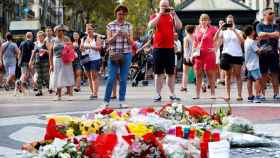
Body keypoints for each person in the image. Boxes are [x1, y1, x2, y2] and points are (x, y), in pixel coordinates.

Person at [148, 0, 182, 102]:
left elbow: (179, 26)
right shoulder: (155, 15)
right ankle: (158, 94)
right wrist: (160, 14)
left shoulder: (171, 16)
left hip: (170, 48)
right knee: (158, 73)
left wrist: (174, 14)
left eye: (166, 6)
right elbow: (150, 25)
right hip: (158, 48)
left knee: (171, 73)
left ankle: (172, 94)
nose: (164, 8)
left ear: (169, 6)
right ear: (159, 7)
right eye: (163, 6)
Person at [103, 5, 133, 107]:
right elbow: (108, 41)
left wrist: (126, 35)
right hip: (114, 54)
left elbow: (131, 43)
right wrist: (116, 34)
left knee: (123, 79)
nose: (121, 16)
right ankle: (106, 101)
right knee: (111, 78)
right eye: (119, 14)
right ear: (116, 14)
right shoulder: (110, 25)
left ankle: (122, 101)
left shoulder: (129, 25)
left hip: (126, 54)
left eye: (123, 14)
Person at [214, 15, 244, 101]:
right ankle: (228, 95)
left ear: (234, 22)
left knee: (238, 75)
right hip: (226, 53)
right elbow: (216, 40)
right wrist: (220, 28)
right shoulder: (224, 32)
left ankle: (239, 94)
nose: (230, 23)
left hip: (237, 54)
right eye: (228, 22)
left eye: (231, 22)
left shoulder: (239, 31)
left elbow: (242, 41)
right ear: (226, 22)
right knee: (227, 75)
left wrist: (234, 30)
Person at [256, 8, 280, 100]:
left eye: (273, 13)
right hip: (263, 53)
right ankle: (263, 94)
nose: (273, 14)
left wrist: (266, 35)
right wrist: (271, 34)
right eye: (270, 13)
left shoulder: (276, 25)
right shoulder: (259, 25)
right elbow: (260, 35)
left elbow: (277, 35)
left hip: (274, 53)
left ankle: (276, 93)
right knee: (263, 74)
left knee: (275, 73)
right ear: (265, 15)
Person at [192, 14, 217, 99]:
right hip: (198, 55)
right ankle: (197, 94)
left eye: (205, 20)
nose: (204, 21)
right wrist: (192, 53)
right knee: (198, 74)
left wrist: (215, 48)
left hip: (209, 54)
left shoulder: (213, 29)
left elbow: (220, 38)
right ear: (199, 21)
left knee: (210, 74)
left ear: (208, 21)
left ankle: (212, 94)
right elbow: (195, 42)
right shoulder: (197, 29)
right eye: (202, 20)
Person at [49, 24, 75, 101]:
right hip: (56, 60)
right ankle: (59, 95)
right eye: (58, 31)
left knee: (67, 76)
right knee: (57, 76)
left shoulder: (67, 39)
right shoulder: (53, 40)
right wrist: (50, 64)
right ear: (55, 32)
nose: (60, 32)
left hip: (66, 60)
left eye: (61, 31)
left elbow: (71, 49)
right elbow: (50, 53)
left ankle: (70, 94)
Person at [80, 24, 102, 99]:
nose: (89, 30)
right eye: (87, 29)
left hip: (95, 58)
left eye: (90, 29)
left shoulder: (97, 37)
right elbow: (81, 48)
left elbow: (99, 48)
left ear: (93, 30)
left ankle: (95, 93)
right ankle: (92, 92)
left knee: (94, 75)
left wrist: (89, 47)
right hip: (86, 58)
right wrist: (82, 48)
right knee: (89, 76)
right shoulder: (83, 38)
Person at [244, 26, 263, 103]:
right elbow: (258, 52)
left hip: (248, 64)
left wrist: (257, 42)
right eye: (253, 31)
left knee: (249, 80)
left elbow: (254, 46)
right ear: (252, 32)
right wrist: (263, 48)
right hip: (254, 64)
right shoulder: (251, 42)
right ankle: (257, 96)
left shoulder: (247, 40)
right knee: (257, 79)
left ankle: (250, 96)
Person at [29, 31, 50, 96]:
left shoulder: (46, 43)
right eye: (38, 36)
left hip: (45, 61)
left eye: (41, 36)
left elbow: (50, 52)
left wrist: (45, 51)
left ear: (44, 37)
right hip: (37, 61)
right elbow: (33, 53)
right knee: (38, 76)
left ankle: (49, 87)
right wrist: (30, 61)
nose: (40, 37)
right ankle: (39, 91)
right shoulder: (36, 44)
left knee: (46, 75)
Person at [181, 25, 195, 92]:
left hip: (187, 57)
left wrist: (187, 57)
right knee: (197, 73)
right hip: (194, 57)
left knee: (185, 73)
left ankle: (184, 87)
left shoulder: (186, 38)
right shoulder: (195, 37)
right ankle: (202, 84)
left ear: (186, 31)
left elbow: (186, 48)